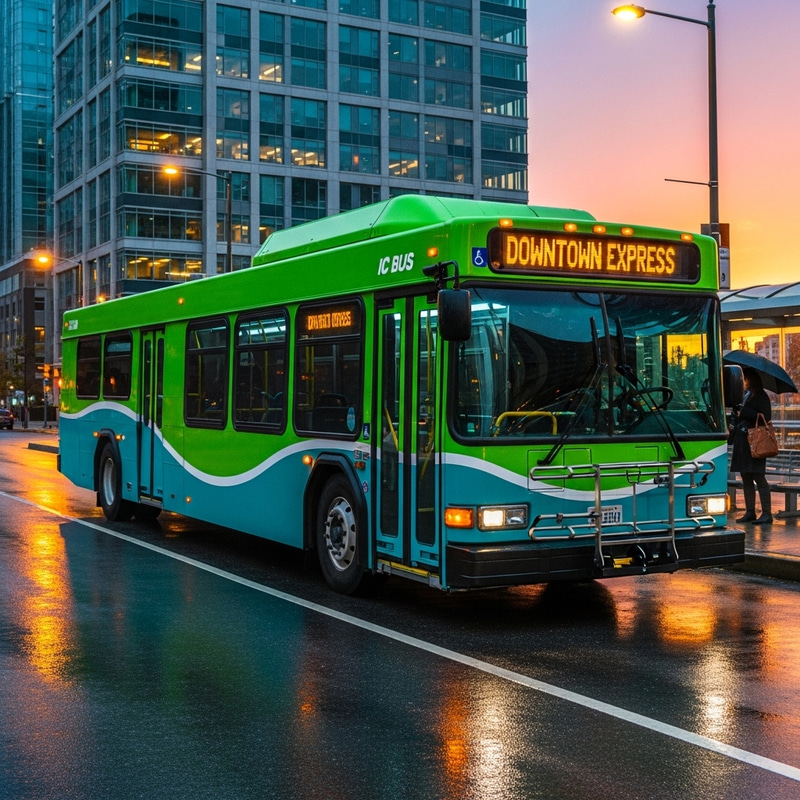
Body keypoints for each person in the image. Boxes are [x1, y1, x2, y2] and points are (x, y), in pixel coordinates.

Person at [730, 367, 773, 524]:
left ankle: (767, 513)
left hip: (755, 443)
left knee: (758, 477)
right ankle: (750, 512)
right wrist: (736, 413)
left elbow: (765, 418)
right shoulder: (745, 396)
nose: (743, 382)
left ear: (751, 380)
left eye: (745, 379)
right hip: (743, 442)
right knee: (746, 477)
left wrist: (745, 412)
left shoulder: (761, 396)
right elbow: (741, 415)